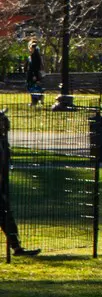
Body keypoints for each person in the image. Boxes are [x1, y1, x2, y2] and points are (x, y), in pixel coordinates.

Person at [0, 109, 39, 257]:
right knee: (5, 216)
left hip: (2, 186)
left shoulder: (3, 140)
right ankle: (16, 248)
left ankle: (17, 248)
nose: (4, 124)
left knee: (6, 216)